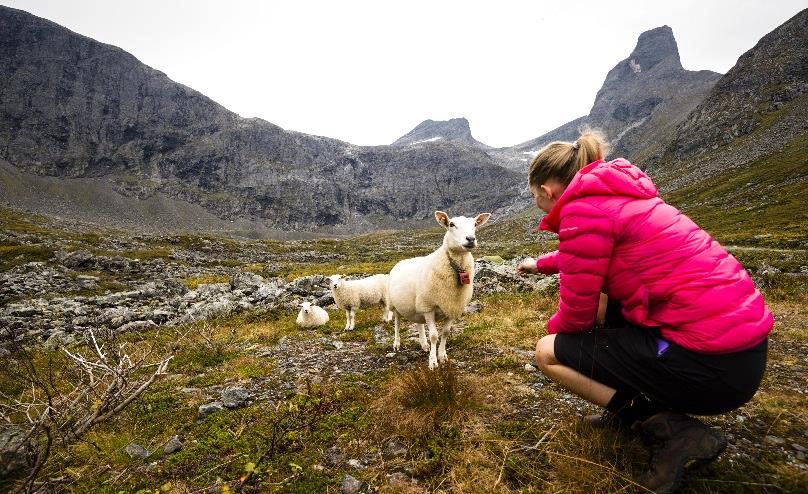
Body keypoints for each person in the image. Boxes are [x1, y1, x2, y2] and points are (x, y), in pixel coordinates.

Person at [516, 130, 772, 494]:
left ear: (546, 190)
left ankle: (665, 427)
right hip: (740, 353)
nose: (537, 204)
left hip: (712, 369)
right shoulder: (612, 196)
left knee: (549, 352)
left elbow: (576, 317)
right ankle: (634, 398)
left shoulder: (580, 211)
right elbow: (586, 251)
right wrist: (539, 265)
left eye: (534, 197)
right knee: (607, 303)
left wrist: (556, 336)